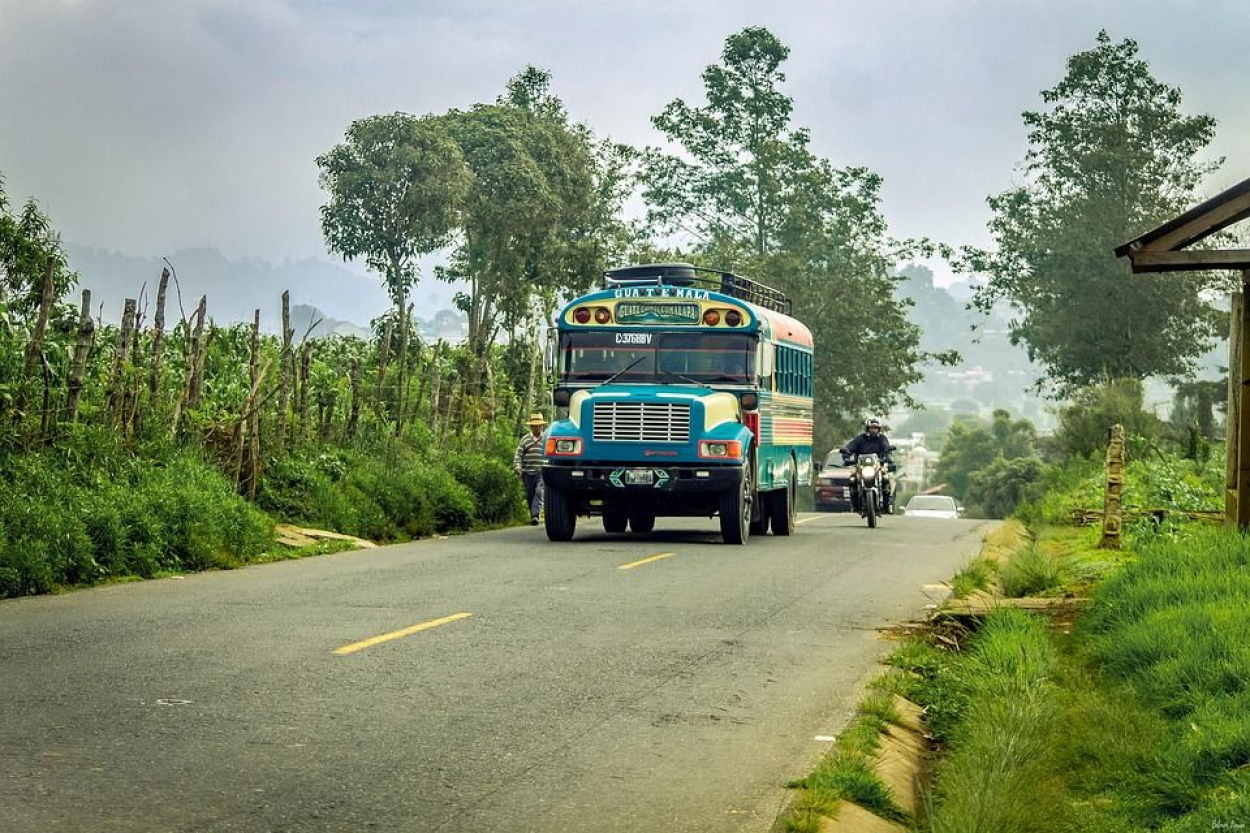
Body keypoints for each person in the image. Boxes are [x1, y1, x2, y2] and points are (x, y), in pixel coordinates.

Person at [840, 418, 895, 512]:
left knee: (886, 478)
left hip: (877, 466)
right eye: (871, 428)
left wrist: (888, 454)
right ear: (867, 428)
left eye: (876, 428)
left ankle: (886, 505)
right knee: (852, 479)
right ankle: (855, 505)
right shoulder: (860, 439)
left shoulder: (882, 439)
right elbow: (850, 447)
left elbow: (886, 447)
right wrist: (846, 455)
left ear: (879, 429)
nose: (874, 430)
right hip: (861, 466)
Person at [513, 412, 547, 525]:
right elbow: (518, 454)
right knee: (530, 495)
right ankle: (533, 514)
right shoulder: (525, 439)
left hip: (542, 471)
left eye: (539, 425)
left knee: (539, 491)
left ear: (542, 426)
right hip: (528, 472)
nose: (537, 427)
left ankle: (535, 515)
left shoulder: (546, 438)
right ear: (531, 426)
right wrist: (517, 466)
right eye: (534, 425)